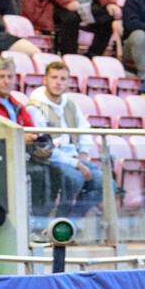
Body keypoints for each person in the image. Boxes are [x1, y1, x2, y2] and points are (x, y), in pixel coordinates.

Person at [0, 56, 58, 225]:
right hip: (0, 161)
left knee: (59, 173)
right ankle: (31, 225)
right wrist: (19, 138)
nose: (6, 81)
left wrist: (34, 139)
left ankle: (42, 224)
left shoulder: (16, 104)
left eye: (10, 77)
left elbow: (31, 129)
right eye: (1, 76)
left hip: (23, 157)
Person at [27, 61, 101, 217]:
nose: (58, 82)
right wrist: (77, 164)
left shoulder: (70, 104)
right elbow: (44, 148)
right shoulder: (35, 107)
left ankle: (71, 222)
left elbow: (84, 129)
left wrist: (84, 152)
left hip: (74, 158)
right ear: (45, 80)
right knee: (75, 178)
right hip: (51, 159)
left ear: (68, 82)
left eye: (62, 79)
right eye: (54, 77)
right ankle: (58, 223)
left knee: (104, 183)